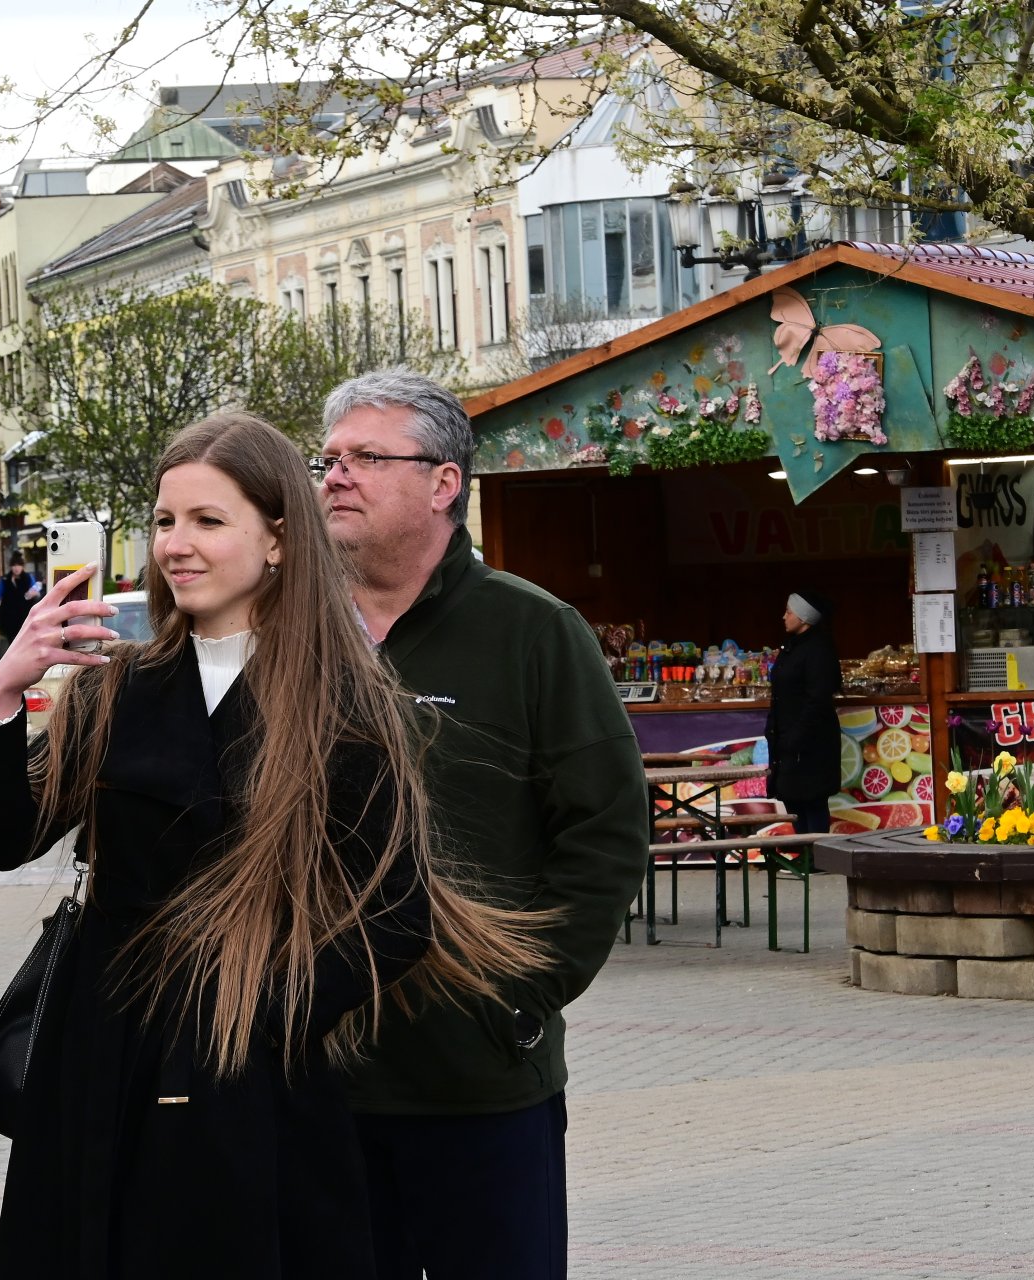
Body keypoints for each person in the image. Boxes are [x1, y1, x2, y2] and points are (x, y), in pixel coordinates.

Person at [0, 411, 554, 1280]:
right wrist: (7, 698)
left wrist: (258, 1010)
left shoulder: (348, 710)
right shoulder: (112, 690)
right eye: (165, 521)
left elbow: (395, 918)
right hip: (99, 1066)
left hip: (255, 1081)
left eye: (208, 520)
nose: (176, 545)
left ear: (278, 538)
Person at [316, 369, 650, 1280]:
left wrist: (518, 995)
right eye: (330, 459)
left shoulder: (533, 632)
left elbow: (609, 828)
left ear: (444, 484)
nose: (335, 476)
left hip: (478, 1082)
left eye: (366, 458)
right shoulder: (296, 636)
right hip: (315, 1083)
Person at [766, 590, 843, 834]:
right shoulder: (793, 647)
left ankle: (818, 855)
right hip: (790, 737)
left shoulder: (818, 650)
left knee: (813, 798)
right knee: (794, 797)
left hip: (810, 740)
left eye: (789, 612)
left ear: (804, 617)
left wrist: (796, 736)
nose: (783, 616)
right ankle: (805, 854)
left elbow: (817, 698)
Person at [0, 553, 41, 650]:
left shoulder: (28, 578)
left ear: (22, 566)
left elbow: (37, 593)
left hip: (25, 615)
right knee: (10, 643)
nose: (16, 568)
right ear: (11, 567)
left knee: (25, 641)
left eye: (19, 565)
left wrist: (34, 594)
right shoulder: (5, 580)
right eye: (14, 565)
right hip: (8, 616)